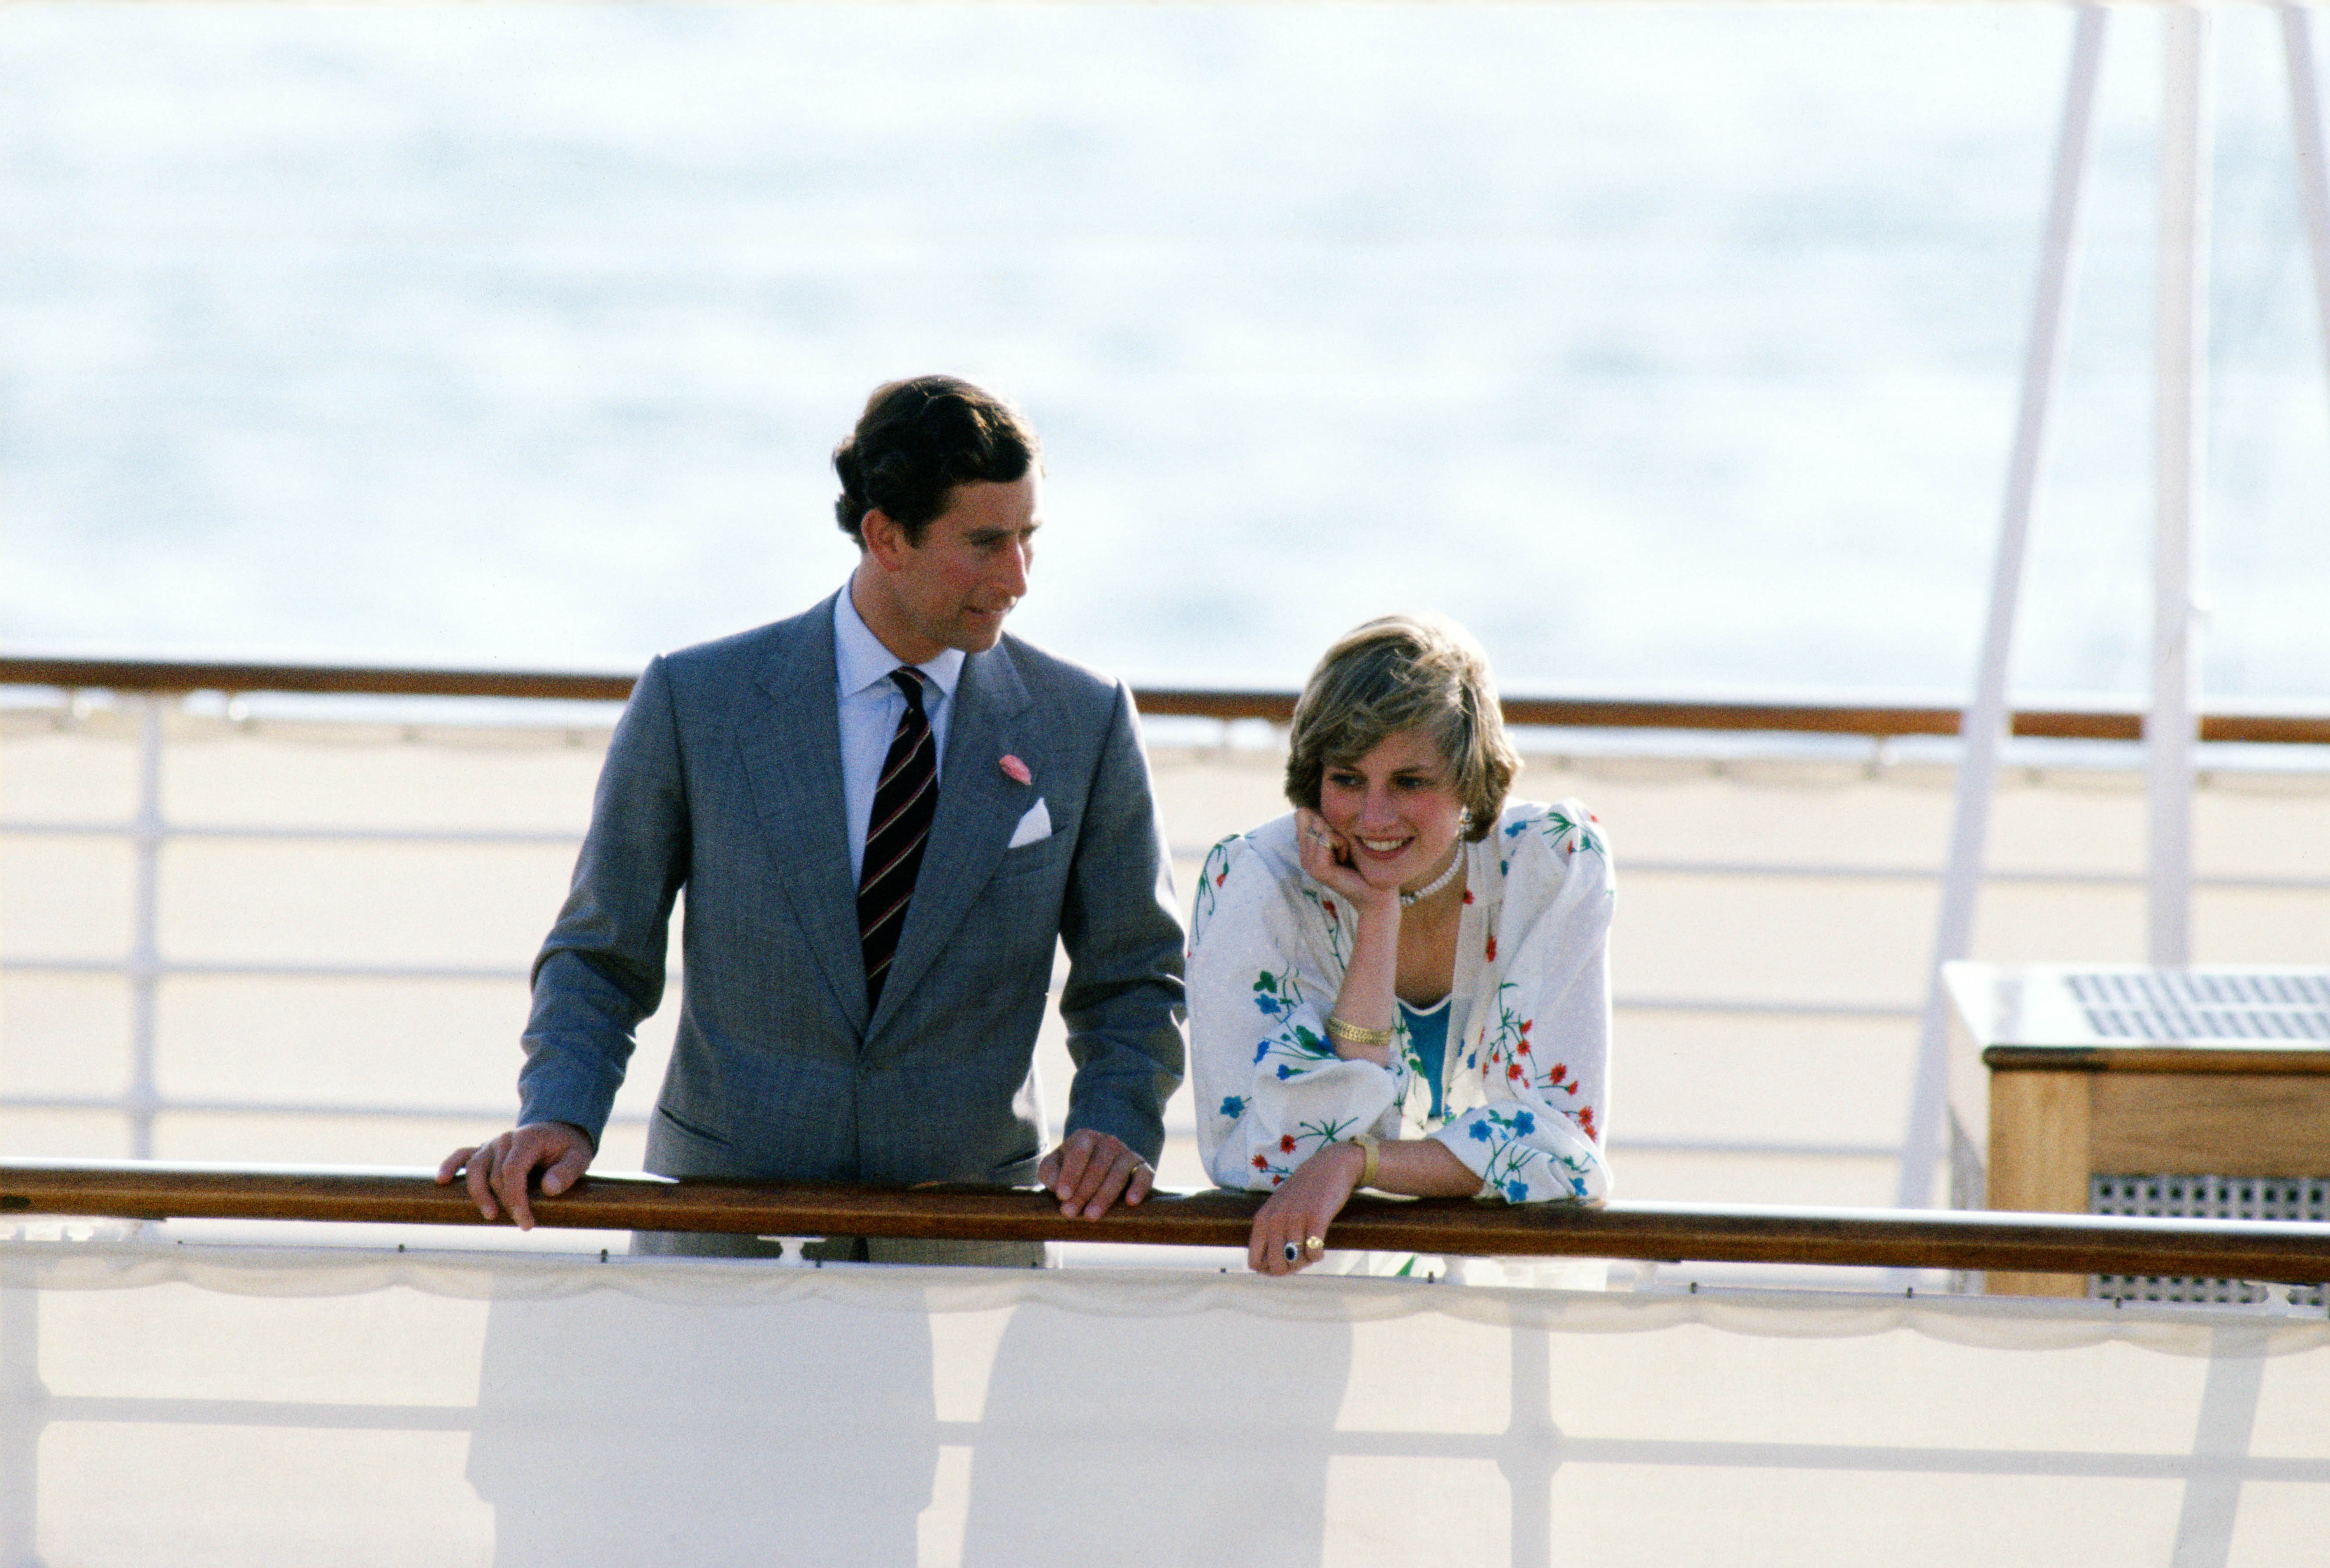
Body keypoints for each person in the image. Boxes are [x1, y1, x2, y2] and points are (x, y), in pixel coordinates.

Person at [438, 375, 1186, 1262]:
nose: (1017, 577)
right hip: (721, 1238)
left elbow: (1136, 974)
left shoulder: (1083, 721)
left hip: (965, 1245)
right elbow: (600, 955)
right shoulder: (696, 701)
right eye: (985, 542)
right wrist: (559, 1113)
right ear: (885, 535)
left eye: (1028, 539)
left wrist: (1112, 1124)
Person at [1188, 612, 1613, 1275]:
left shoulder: (1551, 865)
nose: (1375, 818)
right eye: (1348, 780)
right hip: (1309, 1300)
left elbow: (1563, 1153)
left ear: (1469, 781)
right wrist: (1377, 915)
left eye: (1411, 782)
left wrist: (1361, 1161)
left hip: (1517, 1299)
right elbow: (1275, 1155)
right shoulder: (1256, 883)